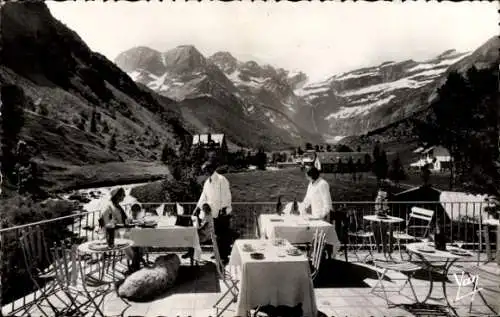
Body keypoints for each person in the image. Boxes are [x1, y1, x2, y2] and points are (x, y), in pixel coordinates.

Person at [191, 159, 232, 264]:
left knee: (223, 235)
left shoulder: (221, 180)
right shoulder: (207, 182)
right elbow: (203, 196)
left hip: (222, 212)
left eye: (205, 170)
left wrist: (223, 209)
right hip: (212, 213)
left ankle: (224, 257)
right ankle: (217, 254)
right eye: (203, 170)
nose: (204, 172)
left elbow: (226, 195)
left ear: (211, 169)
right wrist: (197, 208)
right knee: (215, 235)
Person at [99, 188, 143, 273]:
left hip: (121, 230)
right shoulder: (108, 206)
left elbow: (123, 219)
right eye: (123, 194)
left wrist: (129, 221)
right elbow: (105, 223)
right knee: (131, 239)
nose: (124, 196)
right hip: (112, 234)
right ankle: (135, 263)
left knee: (139, 235)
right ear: (117, 196)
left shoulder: (117, 205)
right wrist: (121, 225)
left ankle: (136, 262)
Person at [301, 167, 334, 258]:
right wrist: (301, 208)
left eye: (307, 175)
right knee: (313, 238)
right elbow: (307, 199)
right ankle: (314, 257)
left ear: (312, 175)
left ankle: (324, 258)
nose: (306, 177)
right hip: (315, 217)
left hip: (324, 217)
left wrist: (321, 216)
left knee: (322, 240)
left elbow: (327, 203)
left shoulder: (323, 184)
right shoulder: (311, 184)